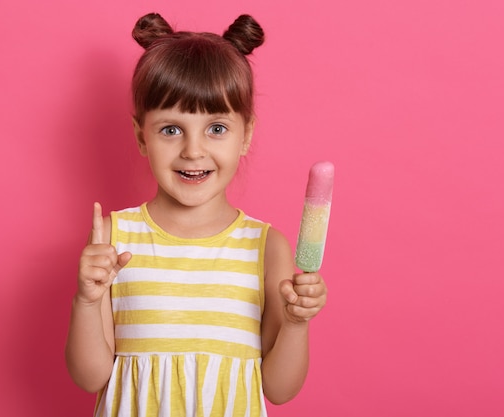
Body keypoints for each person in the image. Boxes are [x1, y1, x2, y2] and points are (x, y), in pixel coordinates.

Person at [66, 12, 328, 417]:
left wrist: (297, 324)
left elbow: (279, 389)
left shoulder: (265, 247)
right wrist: (86, 301)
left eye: (217, 128)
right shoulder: (112, 237)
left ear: (247, 135)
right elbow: (89, 378)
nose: (193, 150)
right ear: (141, 137)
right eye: (171, 130)